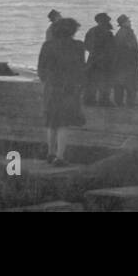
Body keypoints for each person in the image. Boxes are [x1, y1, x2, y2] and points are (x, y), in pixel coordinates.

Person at [37, 17, 86, 166]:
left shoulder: (47, 45)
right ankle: (60, 156)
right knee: (64, 124)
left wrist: (48, 80)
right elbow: (80, 69)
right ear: (72, 30)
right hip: (69, 88)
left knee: (52, 122)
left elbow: (41, 69)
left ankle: (50, 154)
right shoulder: (78, 46)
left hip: (51, 87)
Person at [83, 12, 115, 106]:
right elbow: (112, 48)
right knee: (105, 81)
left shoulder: (91, 31)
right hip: (105, 61)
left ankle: (89, 100)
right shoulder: (107, 33)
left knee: (92, 81)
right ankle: (104, 100)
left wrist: (93, 53)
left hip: (93, 59)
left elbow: (86, 45)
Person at [112, 14, 138, 107]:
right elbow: (130, 47)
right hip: (128, 62)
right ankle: (129, 102)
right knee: (130, 83)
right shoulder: (127, 32)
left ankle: (119, 101)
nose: (130, 22)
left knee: (120, 83)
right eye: (128, 21)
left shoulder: (120, 32)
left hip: (121, 62)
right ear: (124, 23)